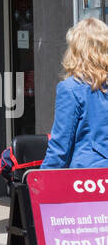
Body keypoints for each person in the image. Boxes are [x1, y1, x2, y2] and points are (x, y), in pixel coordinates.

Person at [41, 17, 108, 169]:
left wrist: (42, 182)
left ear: (75, 50)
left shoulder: (70, 88)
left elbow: (60, 145)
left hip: (87, 178)